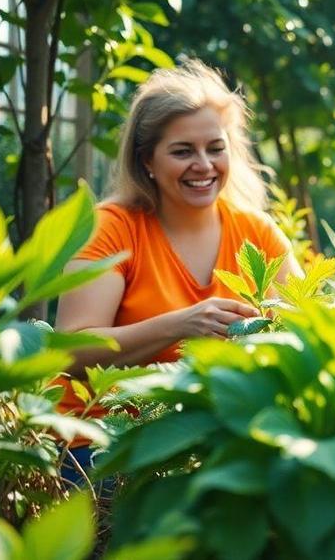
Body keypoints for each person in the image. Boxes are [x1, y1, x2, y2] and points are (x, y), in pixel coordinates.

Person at [53, 59, 300, 484]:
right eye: (183, 151)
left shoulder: (257, 233)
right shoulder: (112, 228)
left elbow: (309, 324)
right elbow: (71, 352)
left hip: (210, 440)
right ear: (147, 160)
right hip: (100, 445)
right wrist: (181, 325)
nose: (203, 165)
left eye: (215, 148)